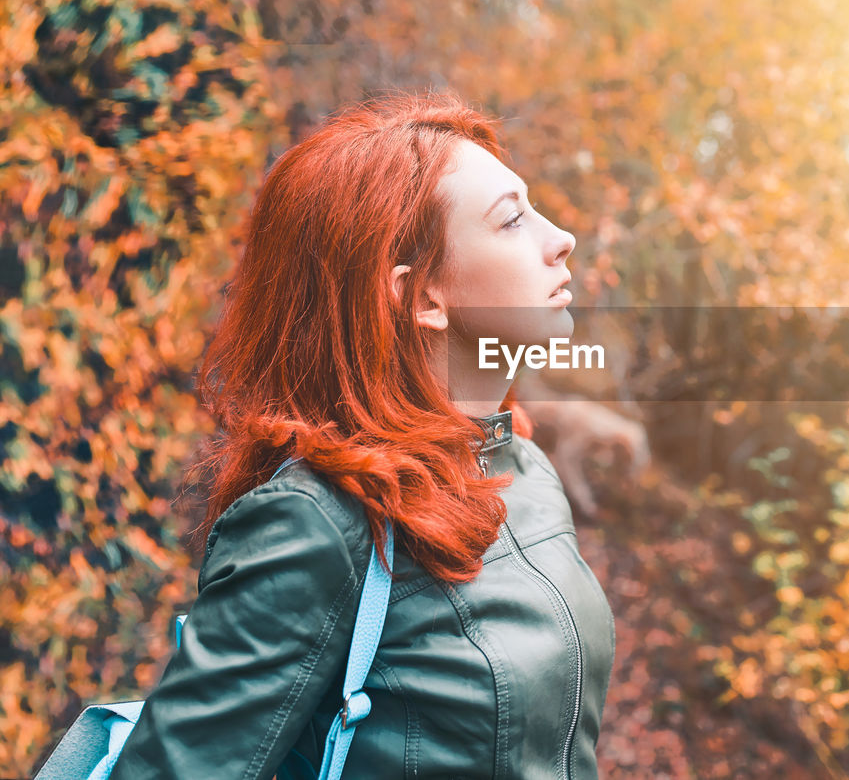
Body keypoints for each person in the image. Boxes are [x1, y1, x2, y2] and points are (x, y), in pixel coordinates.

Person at [110, 89, 615, 779]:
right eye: (512, 220)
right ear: (419, 296)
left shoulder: (522, 465)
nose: (561, 238)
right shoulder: (319, 524)